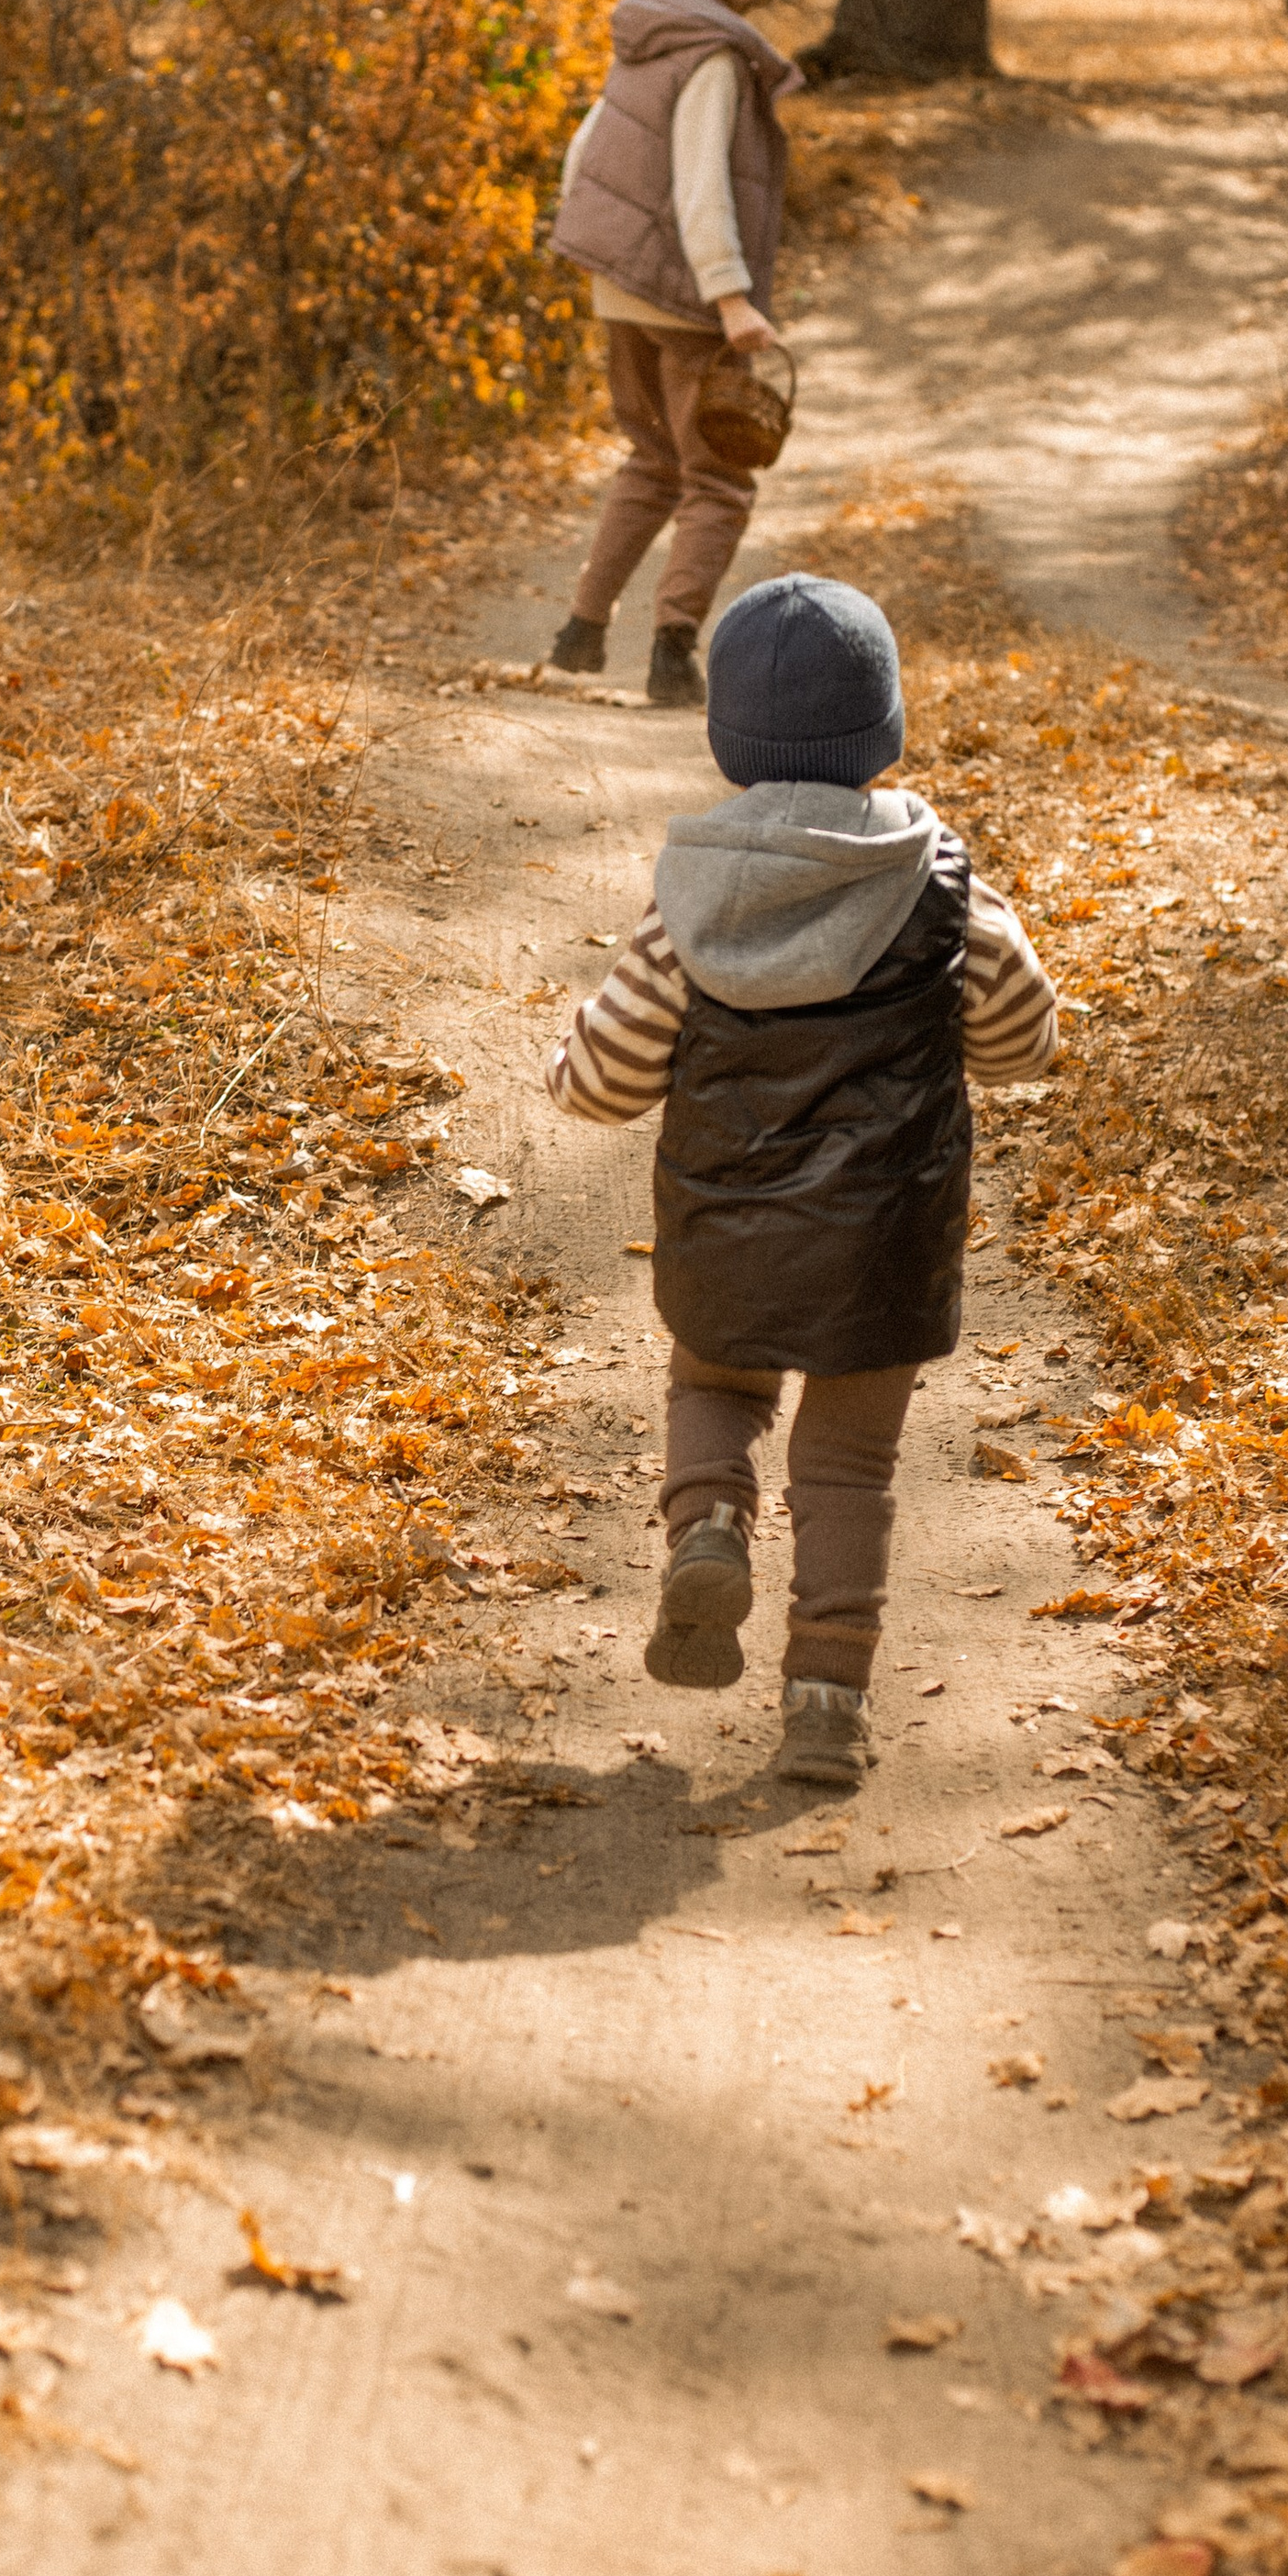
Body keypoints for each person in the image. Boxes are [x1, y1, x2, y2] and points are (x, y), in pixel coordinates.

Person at [545, 574, 1060, 1789]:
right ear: (882, 736)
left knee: (714, 1386)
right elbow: (1028, 1038)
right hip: (887, 1247)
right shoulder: (949, 895)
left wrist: (567, 1062)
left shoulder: (688, 914)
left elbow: (603, 1078)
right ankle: (826, 1699)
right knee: (849, 1471)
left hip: (727, 1233)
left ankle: (710, 1526)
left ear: (729, 742)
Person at [546, 0, 804, 713]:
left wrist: (606, 258)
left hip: (624, 285)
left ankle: (580, 634)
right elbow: (701, 189)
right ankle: (671, 652)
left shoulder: (652, 27)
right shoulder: (716, 53)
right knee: (720, 479)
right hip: (685, 291)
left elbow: (588, 149)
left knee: (652, 462)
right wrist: (730, 299)